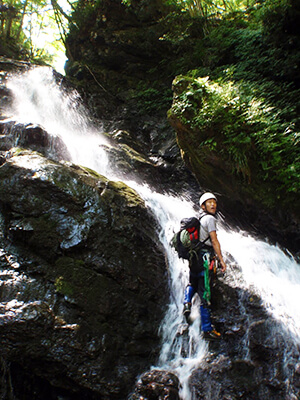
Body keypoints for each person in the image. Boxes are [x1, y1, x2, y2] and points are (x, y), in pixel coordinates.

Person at [182, 192, 227, 340]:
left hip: (194, 259)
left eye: (214, 202)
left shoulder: (198, 220)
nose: (213, 204)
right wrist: (221, 260)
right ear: (203, 205)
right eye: (209, 202)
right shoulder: (209, 219)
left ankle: (187, 303)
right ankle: (207, 329)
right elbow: (214, 241)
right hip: (205, 260)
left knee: (192, 283)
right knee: (205, 295)